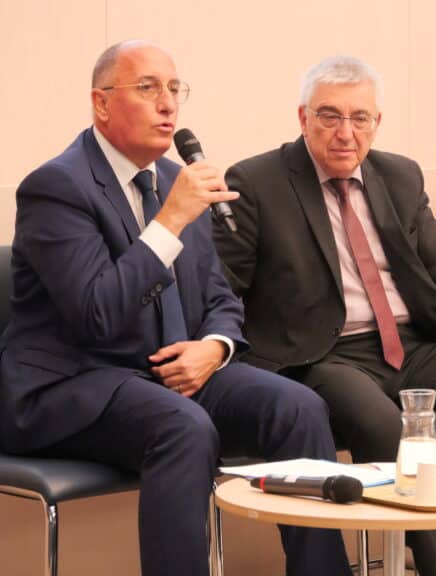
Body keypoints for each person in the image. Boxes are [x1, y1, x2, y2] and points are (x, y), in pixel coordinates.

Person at [0, 40, 352, 576]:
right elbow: (96, 313)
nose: (167, 104)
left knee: (297, 407)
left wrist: (215, 347)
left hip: (165, 375)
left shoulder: (173, 180)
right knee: (183, 427)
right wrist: (169, 221)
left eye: (173, 88)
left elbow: (219, 296)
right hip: (75, 385)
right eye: (147, 88)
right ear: (101, 103)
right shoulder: (57, 188)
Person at [212, 55, 436, 576]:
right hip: (323, 355)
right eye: (330, 116)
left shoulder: (398, 175)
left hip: (410, 345)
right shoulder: (258, 180)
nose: (346, 132)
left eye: (360, 118)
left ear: (376, 122)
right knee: (387, 425)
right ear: (303, 118)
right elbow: (223, 286)